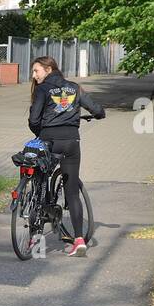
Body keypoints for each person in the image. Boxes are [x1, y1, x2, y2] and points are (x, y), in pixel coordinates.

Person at [28, 55, 105, 255]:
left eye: (36, 70)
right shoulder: (74, 87)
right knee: (72, 192)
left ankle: (35, 241)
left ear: (48, 69)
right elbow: (97, 109)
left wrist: (40, 133)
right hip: (72, 142)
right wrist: (98, 114)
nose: (34, 75)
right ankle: (79, 240)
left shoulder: (43, 89)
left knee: (40, 182)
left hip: (49, 141)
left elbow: (34, 119)